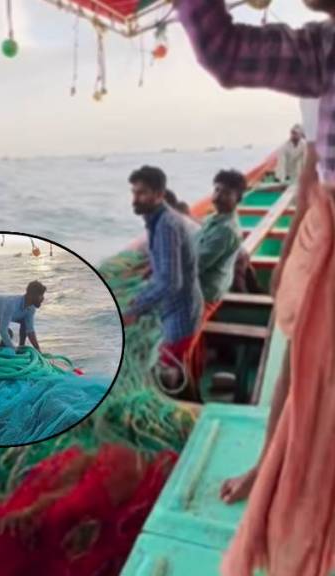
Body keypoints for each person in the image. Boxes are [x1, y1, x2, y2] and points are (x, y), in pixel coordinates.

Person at [179, 6, 335, 575]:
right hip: (322, 232)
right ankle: (268, 470)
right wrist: (296, 247)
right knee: (294, 363)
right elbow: (314, 168)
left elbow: (222, 49)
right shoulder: (322, 49)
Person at [122, 166, 203, 385]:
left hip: (179, 315)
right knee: (170, 364)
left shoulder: (167, 225)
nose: (135, 199)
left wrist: (135, 309)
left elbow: (170, 281)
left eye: (142, 193)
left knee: (166, 371)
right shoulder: (158, 221)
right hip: (178, 308)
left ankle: (177, 402)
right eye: (134, 193)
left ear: (159, 195)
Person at [197, 170, 247, 307]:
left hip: (206, 289)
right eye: (217, 190)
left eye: (226, 193)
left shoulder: (226, 230)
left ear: (238, 199)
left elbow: (196, 266)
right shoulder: (213, 218)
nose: (218, 197)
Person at [0, 281, 45, 353]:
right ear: (31, 296)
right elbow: (2, 331)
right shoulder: (11, 305)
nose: (43, 298)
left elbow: (30, 331)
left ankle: (21, 347)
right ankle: (1, 349)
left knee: (25, 323)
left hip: (1, 312)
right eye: (40, 295)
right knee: (9, 333)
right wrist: (13, 349)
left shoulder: (31, 308)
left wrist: (38, 350)